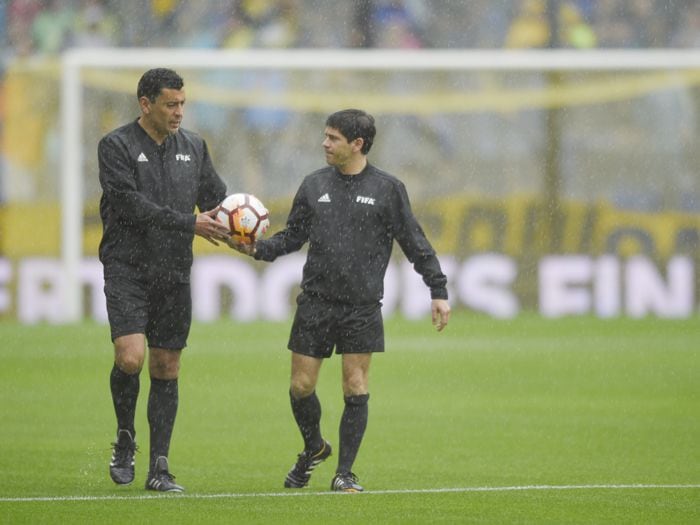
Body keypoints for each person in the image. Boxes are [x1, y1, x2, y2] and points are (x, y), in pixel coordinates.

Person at [231, 109, 450, 492]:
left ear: (357, 144)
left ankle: (345, 472)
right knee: (301, 386)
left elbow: (414, 241)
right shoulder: (314, 185)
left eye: (332, 138)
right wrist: (257, 249)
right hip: (315, 302)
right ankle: (314, 446)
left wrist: (438, 290)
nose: (324, 143)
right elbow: (292, 237)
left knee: (355, 384)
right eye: (325, 136)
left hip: (362, 306)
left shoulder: (387, 189)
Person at [98, 68, 231, 493]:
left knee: (166, 366)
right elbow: (128, 205)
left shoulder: (193, 145)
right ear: (145, 104)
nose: (179, 112)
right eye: (171, 104)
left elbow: (214, 200)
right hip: (128, 267)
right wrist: (189, 223)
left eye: (182, 104)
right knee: (131, 357)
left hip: (174, 271)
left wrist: (241, 226)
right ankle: (124, 437)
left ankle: (160, 466)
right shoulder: (115, 146)